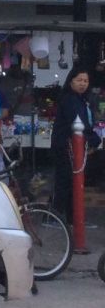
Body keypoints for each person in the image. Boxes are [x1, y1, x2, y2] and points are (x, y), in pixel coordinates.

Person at [49, 68, 101, 221]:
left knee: (72, 184)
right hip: (65, 147)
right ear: (71, 81)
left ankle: (72, 219)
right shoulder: (69, 99)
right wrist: (94, 139)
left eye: (85, 81)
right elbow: (78, 123)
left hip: (73, 148)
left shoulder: (80, 99)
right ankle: (53, 217)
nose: (83, 84)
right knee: (64, 183)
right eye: (79, 80)